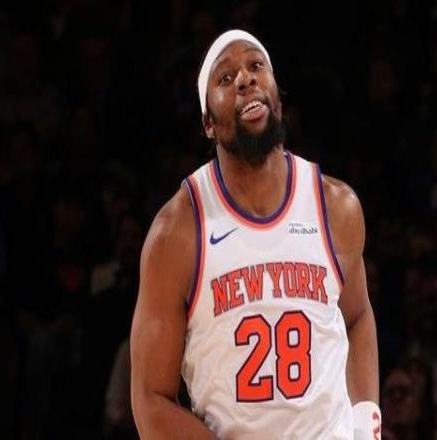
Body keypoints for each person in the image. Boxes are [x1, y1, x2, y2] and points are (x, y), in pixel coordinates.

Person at [130, 29, 381, 439]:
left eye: (255, 65)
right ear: (207, 123)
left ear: (277, 94)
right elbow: (149, 400)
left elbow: (357, 316)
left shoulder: (336, 207)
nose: (245, 78)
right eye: (225, 78)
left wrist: (367, 421)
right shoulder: (177, 232)